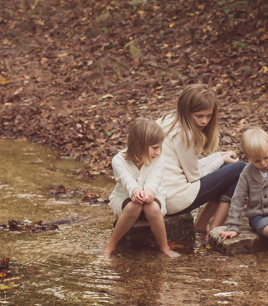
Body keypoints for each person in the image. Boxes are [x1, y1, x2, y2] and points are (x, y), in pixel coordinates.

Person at [158, 84, 246, 234]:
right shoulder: (184, 134)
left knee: (226, 169)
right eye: (199, 116)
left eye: (209, 116)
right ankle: (213, 231)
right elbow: (193, 176)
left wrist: (218, 157)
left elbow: (186, 166)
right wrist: (219, 161)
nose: (205, 121)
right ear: (187, 111)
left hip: (162, 196)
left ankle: (201, 225)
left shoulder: (168, 119)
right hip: (174, 200)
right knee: (239, 168)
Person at [104, 119, 181, 259]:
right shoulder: (119, 160)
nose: (158, 152)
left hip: (152, 199)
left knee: (152, 208)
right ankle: (110, 246)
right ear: (139, 145)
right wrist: (135, 190)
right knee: (134, 206)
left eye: (159, 148)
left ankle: (164, 247)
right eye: (154, 147)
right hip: (124, 199)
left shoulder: (158, 160)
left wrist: (150, 191)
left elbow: (155, 178)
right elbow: (126, 179)